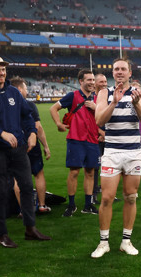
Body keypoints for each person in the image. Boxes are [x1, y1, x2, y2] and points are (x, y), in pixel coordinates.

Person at [0, 55, 51, 248]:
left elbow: (27, 115)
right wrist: (0, 133)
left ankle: (30, 228)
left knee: (26, 187)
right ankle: (2, 235)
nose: (1, 72)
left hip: (18, 150)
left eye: (3, 69)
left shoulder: (13, 92)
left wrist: (32, 132)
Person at [91, 58, 141, 258]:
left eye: (123, 69)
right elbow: (99, 120)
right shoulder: (104, 93)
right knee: (107, 198)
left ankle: (126, 241)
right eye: (116, 69)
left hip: (133, 154)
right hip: (112, 153)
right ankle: (103, 242)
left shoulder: (138, 93)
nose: (119, 72)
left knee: (131, 197)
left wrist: (136, 104)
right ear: (112, 72)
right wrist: (114, 102)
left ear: (129, 72)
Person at [50, 68, 101, 216]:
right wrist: (58, 124)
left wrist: (96, 108)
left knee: (90, 172)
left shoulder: (97, 99)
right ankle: (71, 205)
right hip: (75, 140)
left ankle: (88, 205)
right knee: (74, 172)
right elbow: (53, 108)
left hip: (92, 140)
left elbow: (104, 116)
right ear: (81, 81)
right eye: (89, 80)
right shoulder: (73, 96)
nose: (92, 82)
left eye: (93, 80)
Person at [11, 77, 52, 213]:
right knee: (38, 174)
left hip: (14, 145)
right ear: (19, 89)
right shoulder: (29, 105)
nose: (27, 91)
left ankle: (24, 210)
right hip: (31, 144)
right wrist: (45, 146)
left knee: (17, 178)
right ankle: (41, 206)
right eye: (25, 88)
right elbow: (38, 127)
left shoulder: (5, 106)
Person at [92, 73, 108, 203]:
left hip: (107, 137)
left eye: (105, 81)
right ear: (95, 83)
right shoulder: (91, 98)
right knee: (95, 167)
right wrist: (101, 134)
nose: (104, 84)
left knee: (109, 165)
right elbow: (90, 120)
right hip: (96, 138)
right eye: (101, 82)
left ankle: (107, 192)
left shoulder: (108, 96)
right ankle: (94, 195)